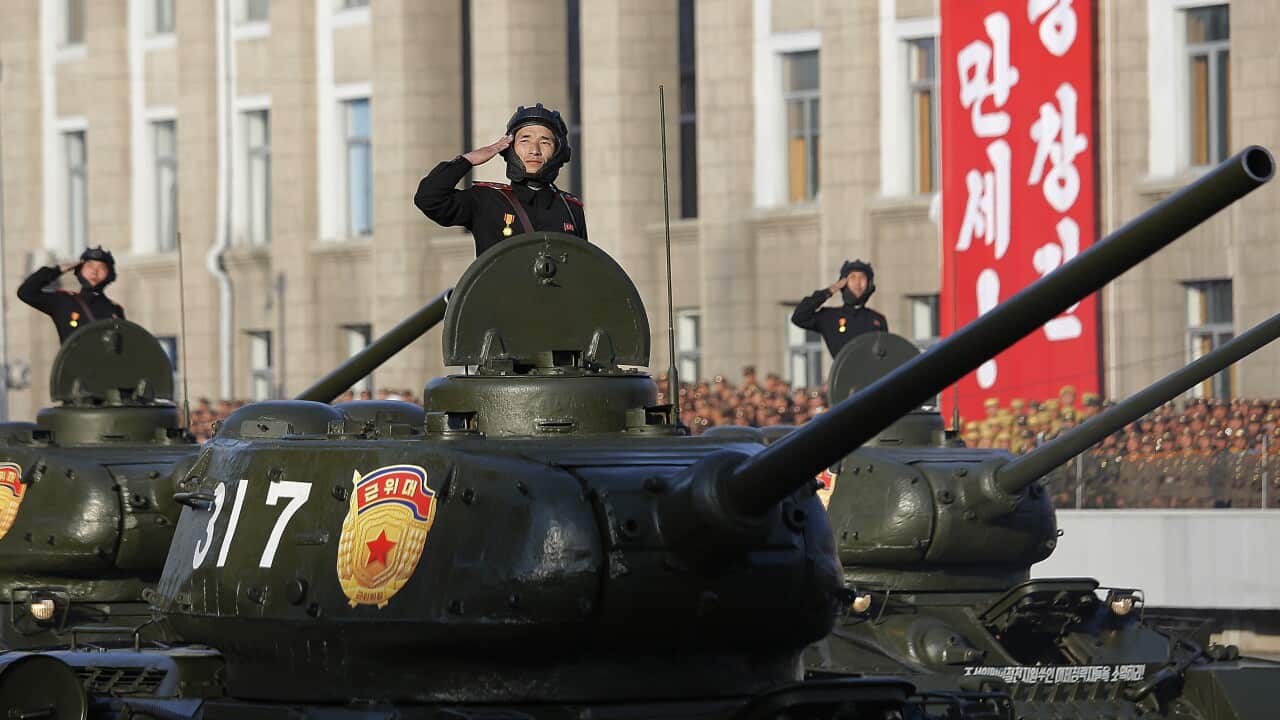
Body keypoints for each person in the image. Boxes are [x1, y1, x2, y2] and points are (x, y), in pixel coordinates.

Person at [415, 103, 586, 257]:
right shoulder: (487, 200)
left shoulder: (570, 208)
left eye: (545, 142)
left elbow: (583, 267)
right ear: (510, 148)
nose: (535, 150)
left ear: (558, 152)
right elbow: (429, 198)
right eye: (525, 140)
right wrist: (468, 160)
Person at [18, 246, 125, 343]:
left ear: (109, 274)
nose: (94, 271)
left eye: (102, 268)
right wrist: (57, 270)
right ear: (80, 270)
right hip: (75, 364)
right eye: (89, 266)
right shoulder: (64, 301)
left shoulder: (114, 309)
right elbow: (26, 292)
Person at [790, 259, 888, 357]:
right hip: (843, 370)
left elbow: (887, 352)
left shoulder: (877, 320)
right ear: (844, 282)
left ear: (869, 284)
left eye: (862, 277)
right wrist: (830, 290)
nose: (857, 282)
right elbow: (799, 317)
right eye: (852, 277)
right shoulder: (830, 316)